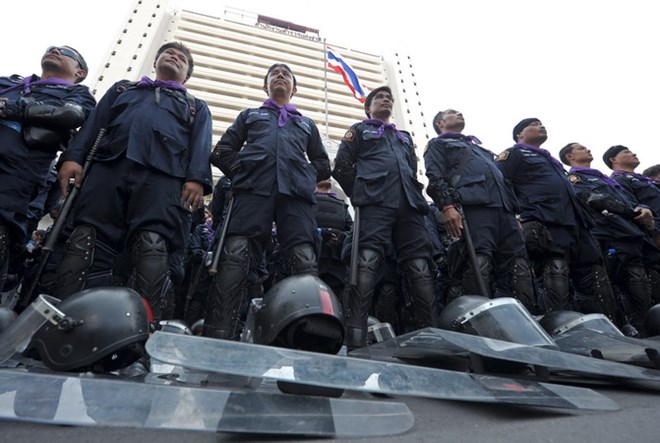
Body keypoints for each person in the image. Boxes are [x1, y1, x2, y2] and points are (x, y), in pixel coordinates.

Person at [55, 42, 213, 322]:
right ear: (155, 62)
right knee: (84, 240)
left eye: (181, 58)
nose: (173, 57)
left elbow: (201, 145)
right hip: (108, 168)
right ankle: (68, 325)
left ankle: (143, 336)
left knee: (152, 246)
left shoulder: (195, 106)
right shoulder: (123, 89)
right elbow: (94, 125)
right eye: (168, 54)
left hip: (164, 179)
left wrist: (196, 179)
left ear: (186, 75)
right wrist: (73, 157)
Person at [205, 63, 330, 340]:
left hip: (295, 195)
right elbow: (222, 151)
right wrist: (245, 170)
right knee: (235, 253)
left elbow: (323, 163)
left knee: (304, 259)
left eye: (286, 74)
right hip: (252, 191)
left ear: (294, 88)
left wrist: (306, 175)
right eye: (275, 74)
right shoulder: (250, 115)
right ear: (265, 86)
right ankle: (219, 335)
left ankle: (310, 339)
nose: (281, 76)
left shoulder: (307, 123)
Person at [333, 85, 438, 350]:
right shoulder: (358, 130)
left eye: (389, 98)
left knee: (420, 268)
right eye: (379, 97)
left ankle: (431, 336)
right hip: (374, 201)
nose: (386, 100)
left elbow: (412, 171)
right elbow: (342, 167)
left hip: (409, 204)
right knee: (366, 262)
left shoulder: (403, 136)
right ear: (368, 108)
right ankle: (355, 336)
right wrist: (361, 194)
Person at [496, 118, 617, 321]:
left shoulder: (551, 161)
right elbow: (500, 183)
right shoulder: (514, 153)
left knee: (595, 274)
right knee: (556, 270)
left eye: (542, 123)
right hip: (546, 218)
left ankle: (606, 324)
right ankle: (558, 325)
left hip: (577, 223)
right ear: (520, 135)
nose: (541, 126)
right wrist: (514, 216)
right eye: (534, 124)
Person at [0, 46, 96, 291]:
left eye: (66, 52)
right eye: (52, 48)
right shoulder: (10, 83)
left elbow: (71, 115)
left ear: (80, 72)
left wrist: (13, 109)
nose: (55, 50)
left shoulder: (77, 93)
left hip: (17, 170)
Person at [424, 109, 535, 310]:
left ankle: (520, 318)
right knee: (479, 263)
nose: (459, 114)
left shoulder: (480, 149)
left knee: (518, 267)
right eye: (452, 113)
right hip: (474, 208)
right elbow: (434, 176)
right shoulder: (438, 144)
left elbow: (503, 182)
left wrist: (514, 214)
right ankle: (481, 319)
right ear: (440, 123)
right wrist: (447, 206)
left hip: (504, 211)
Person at [560, 142, 653, 332]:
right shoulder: (574, 177)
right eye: (580, 148)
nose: (587, 149)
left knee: (640, 282)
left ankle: (646, 329)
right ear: (570, 157)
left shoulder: (605, 179)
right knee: (612, 285)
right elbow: (592, 199)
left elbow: (630, 201)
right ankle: (621, 330)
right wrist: (632, 212)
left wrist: (644, 209)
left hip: (630, 234)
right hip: (607, 234)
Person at [604, 146, 660, 249]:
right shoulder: (618, 180)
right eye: (627, 152)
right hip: (653, 233)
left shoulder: (645, 180)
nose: (634, 154)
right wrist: (655, 234)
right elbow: (632, 207)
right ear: (613, 159)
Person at [313, 179, 353, 298]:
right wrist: (339, 236)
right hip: (337, 263)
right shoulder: (342, 206)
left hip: (313, 260)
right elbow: (351, 232)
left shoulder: (307, 204)